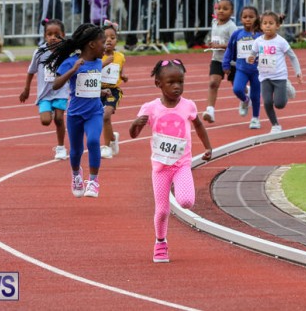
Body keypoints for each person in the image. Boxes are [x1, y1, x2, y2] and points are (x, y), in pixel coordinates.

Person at [129, 59, 212, 263]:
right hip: (161, 167)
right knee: (162, 210)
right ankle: (160, 243)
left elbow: (198, 125)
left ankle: (162, 240)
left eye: (180, 82)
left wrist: (208, 147)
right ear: (158, 84)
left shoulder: (188, 105)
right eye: (171, 82)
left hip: (181, 164)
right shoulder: (151, 108)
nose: (177, 87)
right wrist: (135, 124)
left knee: (186, 201)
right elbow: (133, 134)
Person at [43, 24, 110, 198]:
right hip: (75, 114)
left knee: (93, 141)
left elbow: (89, 84)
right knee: (76, 151)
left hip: (94, 112)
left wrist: (101, 91)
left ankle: (93, 181)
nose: (106, 46)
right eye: (103, 42)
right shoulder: (70, 62)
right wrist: (73, 70)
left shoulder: (98, 62)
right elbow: (56, 85)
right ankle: (76, 175)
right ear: (92, 44)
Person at [19, 19, 70, 160]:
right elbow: (31, 71)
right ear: (44, 36)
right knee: (46, 121)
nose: (53, 37)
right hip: (45, 93)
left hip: (61, 91)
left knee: (59, 119)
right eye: (49, 34)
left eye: (57, 35)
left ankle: (61, 148)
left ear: (63, 35)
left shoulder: (66, 52)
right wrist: (26, 89)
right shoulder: (39, 52)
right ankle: (50, 110)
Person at [247, 11, 302, 133]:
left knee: (279, 104)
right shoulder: (258, 41)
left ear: (277, 26)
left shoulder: (281, 41)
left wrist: (298, 72)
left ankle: (287, 87)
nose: (267, 26)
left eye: (271, 23)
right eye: (265, 23)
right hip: (265, 77)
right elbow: (252, 55)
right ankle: (275, 125)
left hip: (279, 77)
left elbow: (292, 56)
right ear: (261, 26)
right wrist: (250, 58)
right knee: (267, 102)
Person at [222, 5, 262, 129]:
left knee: (256, 95)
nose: (248, 19)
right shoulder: (237, 34)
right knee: (237, 89)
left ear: (257, 18)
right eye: (245, 17)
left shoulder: (260, 34)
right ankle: (245, 101)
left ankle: (255, 118)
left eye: (251, 17)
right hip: (242, 69)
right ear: (240, 19)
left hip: (257, 71)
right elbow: (229, 49)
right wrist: (226, 63)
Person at [202, 0, 237, 124]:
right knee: (213, 83)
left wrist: (220, 46)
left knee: (237, 87)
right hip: (216, 59)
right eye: (219, 8)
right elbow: (216, 38)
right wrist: (212, 44)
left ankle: (247, 93)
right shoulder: (214, 22)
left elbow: (235, 44)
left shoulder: (232, 27)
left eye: (225, 9)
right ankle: (210, 111)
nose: (221, 11)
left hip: (231, 61)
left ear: (232, 12)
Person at [99, 20, 128, 159]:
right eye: (106, 37)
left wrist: (123, 76)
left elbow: (120, 72)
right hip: (97, 91)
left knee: (106, 116)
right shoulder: (97, 56)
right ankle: (112, 138)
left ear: (117, 40)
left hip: (113, 91)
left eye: (113, 37)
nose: (109, 40)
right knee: (98, 118)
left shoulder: (120, 57)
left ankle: (106, 147)